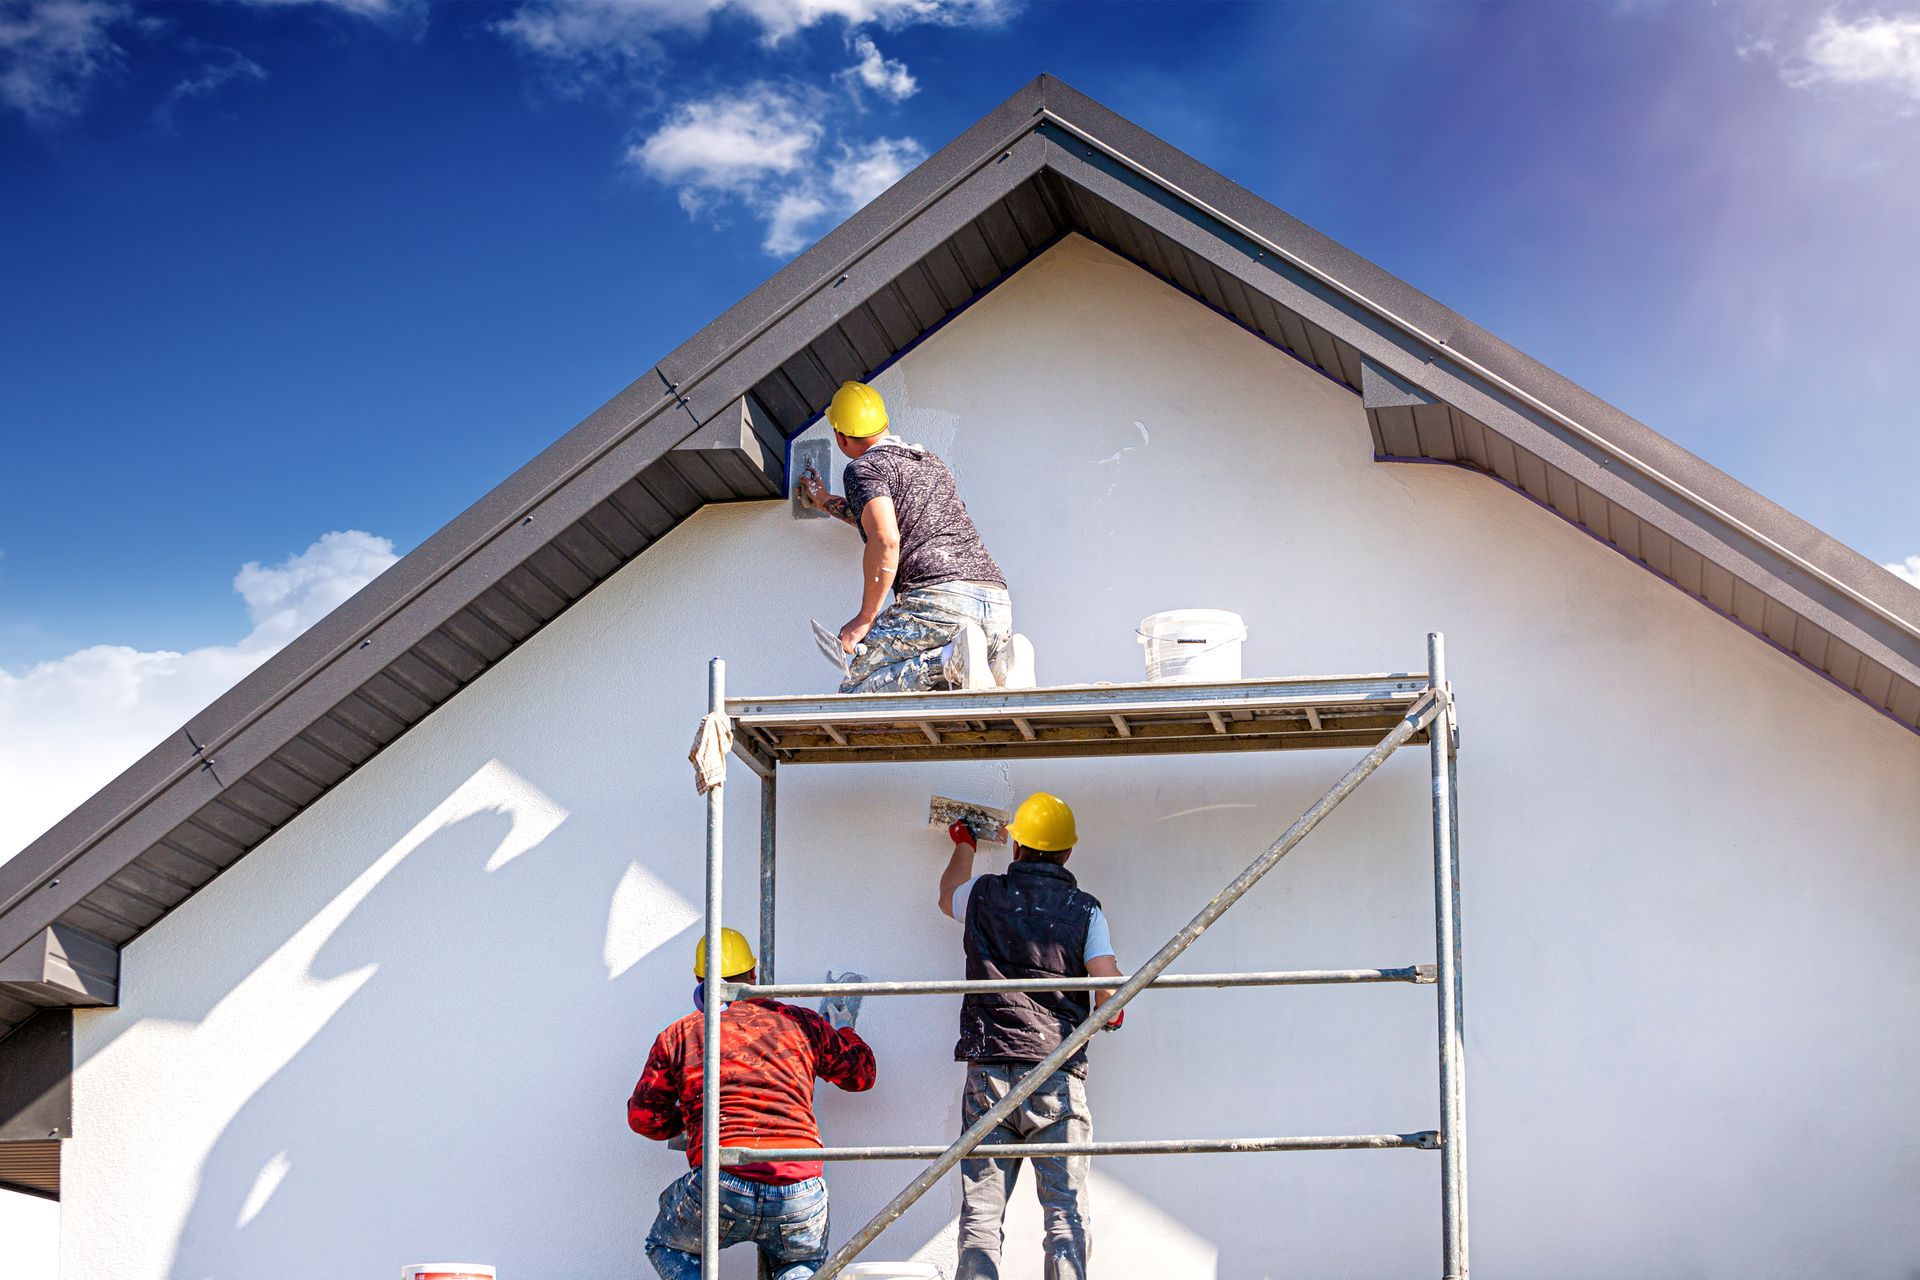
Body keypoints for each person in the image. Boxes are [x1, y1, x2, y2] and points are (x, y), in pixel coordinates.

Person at [937, 793, 1122, 1280]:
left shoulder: (983, 894)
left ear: (1016, 846)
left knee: (981, 1216)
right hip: (1055, 1075)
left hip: (990, 1073)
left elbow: (946, 895)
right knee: (1064, 1215)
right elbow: (1108, 986)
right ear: (1067, 854)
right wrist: (1110, 1011)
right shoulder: (1085, 910)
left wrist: (964, 845)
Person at [629, 927, 876, 1280]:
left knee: (668, 1244)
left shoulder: (681, 1035)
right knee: (799, 1265)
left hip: (723, 1181)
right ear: (753, 975)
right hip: (799, 1187)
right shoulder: (801, 1022)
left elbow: (644, 1118)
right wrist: (844, 1029)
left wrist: (688, 1121)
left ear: (700, 980)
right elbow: (861, 1076)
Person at [796, 379, 1033, 693]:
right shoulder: (930, 463)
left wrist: (865, 618)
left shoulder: (865, 467)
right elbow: (882, 520)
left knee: (858, 689)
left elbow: (885, 537)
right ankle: (1000, 663)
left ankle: (951, 660)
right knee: (958, 684)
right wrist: (824, 500)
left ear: (840, 437)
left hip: (939, 601)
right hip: (996, 604)